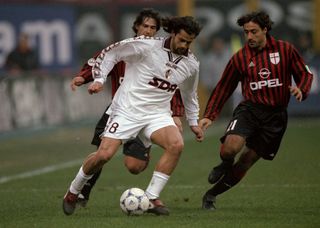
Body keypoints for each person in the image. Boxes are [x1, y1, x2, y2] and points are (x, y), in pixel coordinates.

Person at [63, 15, 203, 216]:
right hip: (127, 111)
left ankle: (152, 197)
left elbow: (189, 93)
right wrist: (100, 79)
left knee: (176, 145)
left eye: (189, 42)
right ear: (173, 33)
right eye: (182, 40)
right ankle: (73, 191)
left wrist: (193, 121)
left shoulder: (191, 64)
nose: (185, 45)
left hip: (157, 114)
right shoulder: (146, 45)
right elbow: (111, 53)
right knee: (103, 155)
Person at [200, 11, 313, 210]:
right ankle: (225, 164)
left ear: (265, 30)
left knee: (246, 161)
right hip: (249, 110)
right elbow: (224, 87)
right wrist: (210, 115)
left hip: (276, 117)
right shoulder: (240, 57)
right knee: (230, 148)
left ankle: (211, 195)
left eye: (254, 32)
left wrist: (301, 89)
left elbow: (305, 74)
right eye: (246, 32)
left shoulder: (285, 50)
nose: (249, 37)